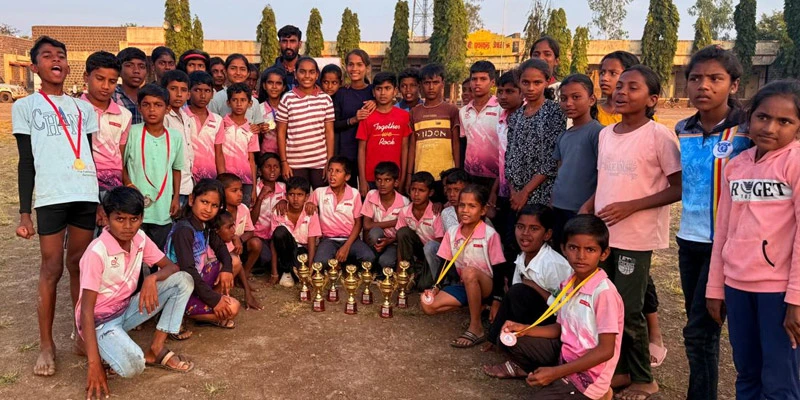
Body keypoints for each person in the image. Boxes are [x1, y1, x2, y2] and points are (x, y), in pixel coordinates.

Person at [579, 65, 682, 400]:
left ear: (653, 98)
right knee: (606, 306)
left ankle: (644, 377)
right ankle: (619, 370)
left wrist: (633, 206)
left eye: (632, 87)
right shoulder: (607, 135)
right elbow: (605, 178)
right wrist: (590, 204)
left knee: (628, 309)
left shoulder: (658, 135)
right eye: (619, 86)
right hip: (605, 234)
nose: (621, 92)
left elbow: (678, 187)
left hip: (635, 237)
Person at [706, 79, 800, 400]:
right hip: (736, 287)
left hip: (778, 293)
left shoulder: (795, 164)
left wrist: (796, 299)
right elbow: (724, 231)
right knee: (747, 372)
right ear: (750, 117)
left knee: (780, 379)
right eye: (762, 117)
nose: (770, 127)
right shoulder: (737, 165)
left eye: (784, 121)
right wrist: (715, 287)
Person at [13, 36, 100, 376]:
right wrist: (24, 211)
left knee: (79, 263)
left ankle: (81, 333)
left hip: (84, 194)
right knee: (52, 268)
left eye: (60, 55)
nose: (56, 60)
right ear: (34, 67)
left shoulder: (83, 108)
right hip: (51, 196)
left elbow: (88, 153)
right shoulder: (25, 107)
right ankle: (46, 344)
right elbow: (25, 162)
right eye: (47, 56)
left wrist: (98, 199)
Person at [674, 46, 751, 400]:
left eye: (715, 79)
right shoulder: (683, 128)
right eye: (695, 78)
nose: (703, 86)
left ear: (733, 85)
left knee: (699, 330)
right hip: (688, 240)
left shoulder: (748, 131)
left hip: (729, 244)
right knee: (703, 326)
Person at [78, 187, 195, 400]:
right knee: (133, 366)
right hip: (99, 322)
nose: (127, 226)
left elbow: (171, 267)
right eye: (119, 219)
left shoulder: (139, 238)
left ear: (142, 218)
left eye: (134, 219)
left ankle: (156, 349)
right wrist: (93, 365)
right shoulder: (96, 252)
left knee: (183, 281)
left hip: (126, 309)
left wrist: (152, 278)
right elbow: (86, 310)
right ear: (107, 217)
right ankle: (95, 348)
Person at [501, 215, 623, 400]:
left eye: (590, 249)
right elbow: (560, 328)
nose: (581, 256)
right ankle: (560, 381)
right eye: (573, 248)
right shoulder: (569, 284)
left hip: (589, 377)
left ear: (604, 253)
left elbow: (606, 350)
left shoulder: (604, 293)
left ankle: (598, 393)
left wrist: (556, 372)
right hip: (567, 357)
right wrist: (525, 329)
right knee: (509, 339)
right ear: (563, 249)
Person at [482, 204, 573, 378]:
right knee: (516, 293)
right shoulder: (523, 257)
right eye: (520, 227)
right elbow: (512, 297)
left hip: (558, 326)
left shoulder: (553, 265)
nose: (525, 233)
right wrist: (494, 337)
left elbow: (565, 309)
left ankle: (523, 361)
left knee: (520, 292)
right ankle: (499, 341)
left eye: (534, 229)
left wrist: (535, 287)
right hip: (538, 316)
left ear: (547, 234)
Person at [421, 184, 505, 348]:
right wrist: (435, 287)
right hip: (466, 283)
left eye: (472, 206)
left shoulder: (489, 234)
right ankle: (477, 305)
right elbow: (445, 263)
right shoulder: (452, 232)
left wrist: (497, 299)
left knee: (469, 272)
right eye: (462, 205)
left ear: (482, 210)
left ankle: (476, 327)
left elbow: (500, 268)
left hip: (487, 286)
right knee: (427, 304)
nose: (465, 210)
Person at [164, 179, 241, 328]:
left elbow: (221, 249)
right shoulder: (184, 230)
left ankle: (206, 309)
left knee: (233, 262)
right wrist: (214, 300)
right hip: (180, 289)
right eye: (204, 202)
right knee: (233, 308)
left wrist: (226, 269)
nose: (208, 209)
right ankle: (178, 315)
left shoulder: (205, 225)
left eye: (214, 205)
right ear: (192, 200)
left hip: (196, 282)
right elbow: (188, 271)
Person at [122, 83, 184, 249]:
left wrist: (176, 196)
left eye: (158, 105)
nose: (152, 110)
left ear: (168, 109)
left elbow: (176, 169)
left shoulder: (175, 137)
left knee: (159, 251)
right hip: (135, 205)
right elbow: (120, 164)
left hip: (162, 206)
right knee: (134, 250)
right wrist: (129, 184)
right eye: (146, 105)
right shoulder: (132, 132)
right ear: (139, 108)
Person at [505, 58, 565, 213]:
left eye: (537, 83)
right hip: (515, 194)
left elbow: (552, 160)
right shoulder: (516, 116)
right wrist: (514, 192)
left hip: (541, 192)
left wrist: (525, 192)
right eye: (525, 82)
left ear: (546, 82)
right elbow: (509, 156)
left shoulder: (555, 112)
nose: (531, 88)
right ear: (519, 82)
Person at [81, 51, 133, 229]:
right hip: (83, 185)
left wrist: (127, 183)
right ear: (86, 77)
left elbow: (120, 153)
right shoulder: (75, 111)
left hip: (114, 188)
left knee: (111, 241)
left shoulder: (124, 115)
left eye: (112, 81)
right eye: (99, 78)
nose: (105, 86)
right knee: (84, 242)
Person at [551, 74, 602, 249]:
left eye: (576, 97)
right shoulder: (564, 135)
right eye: (564, 98)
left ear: (592, 99)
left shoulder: (598, 133)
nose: (568, 103)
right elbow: (560, 171)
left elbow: (604, 175)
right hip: (559, 207)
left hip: (582, 210)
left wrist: (589, 206)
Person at [276, 56, 334, 189]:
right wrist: (284, 162)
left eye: (311, 72)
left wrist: (329, 161)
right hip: (294, 162)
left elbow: (329, 132)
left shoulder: (325, 99)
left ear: (317, 75)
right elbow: (280, 133)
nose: (307, 76)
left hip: (320, 161)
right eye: (302, 71)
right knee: (297, 200)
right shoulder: (287, 99)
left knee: (321, 199)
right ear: (295, 74)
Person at [310, 156, 375, 265]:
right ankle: (339, 260)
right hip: (328, 239)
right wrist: (309, 204)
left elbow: (358, 223)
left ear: (347, 177)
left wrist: (346, 247)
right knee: (320, 262)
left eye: (338, 171)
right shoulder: (319, 192)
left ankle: (343, 259)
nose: (332, 175)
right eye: (330, 170)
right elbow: (307, 207)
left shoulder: (354, 193)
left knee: (369, 258)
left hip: (350, 239)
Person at [407, 63, 460, 195]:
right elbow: (412, 146)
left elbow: (456, 144)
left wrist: (457, 172)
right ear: (420, 85)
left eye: (435, 82)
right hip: (421, 176)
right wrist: (409, 175)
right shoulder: (414, 112)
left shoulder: (451, 110)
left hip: (446, 176)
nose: (431, 87)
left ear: (442, 83)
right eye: (427, 83)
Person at [356, 71, 411, 195]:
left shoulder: (404, 116)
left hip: (395, 177)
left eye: (387, 88)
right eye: (379, 89)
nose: (383, 93)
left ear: (395, 91)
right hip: (372, 177)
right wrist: (363, 180)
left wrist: (402, 178)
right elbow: (361, 149)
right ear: (373, 92)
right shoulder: (367, 116)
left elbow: (405, 148)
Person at [216, 174, 261, 309]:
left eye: (241, 190)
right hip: (222, 251)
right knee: (234, 255)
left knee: (256, 243)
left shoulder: (243, 208)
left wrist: (239, 239)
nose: (240, 194)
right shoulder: (218, 212)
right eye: (234, 191)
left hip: (239, 245)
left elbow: (250, 231)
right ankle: (240, 285)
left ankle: (243, 276)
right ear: (222, 193)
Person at [494, 70, 524, 269]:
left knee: (517, 241)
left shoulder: (525, 119)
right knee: (503, 239)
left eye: (510, 91)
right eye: (500, 91)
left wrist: (520, 191)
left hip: (522, 193)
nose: (503, 96)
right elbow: (502, 160)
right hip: (504, 191)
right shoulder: (502, 119)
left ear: (522, 93)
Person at [334, 49, 376, 187]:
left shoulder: (374, 92)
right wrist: (353, 120)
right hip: (347, 154)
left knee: (370, 197)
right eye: (351, 64)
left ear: (367, 68)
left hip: (370, 154)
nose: (355, 68)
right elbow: (334, 124)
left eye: (359, 64)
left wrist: (377, 103)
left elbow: (387, 109)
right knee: (349, 198)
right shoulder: (341, 93)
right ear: (346, 67)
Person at [395, 171, 444, 289]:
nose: (416, 194)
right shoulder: (405, 211)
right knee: (403, 232)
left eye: (421, 191)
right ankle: (410, 272)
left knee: (423, 286)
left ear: (430, 192)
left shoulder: (435, 213)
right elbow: (401, 242)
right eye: (413, 189)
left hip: (432, 253)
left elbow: (440, 242)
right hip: (417, 249)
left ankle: (422, 272)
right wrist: (398, 271)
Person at [270, 177, 321, 288]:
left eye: (300, 195)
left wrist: (310, 269)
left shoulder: (311, 212)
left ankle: (296, 272)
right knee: (280, 232)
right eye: (292, 194)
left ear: (307, 196)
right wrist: (274, 272)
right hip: (284, 251)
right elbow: (274, 242)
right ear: (286, 195)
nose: (295, 199)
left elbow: (311, 241)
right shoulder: (278, 211)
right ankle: (286, 272)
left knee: (300, 267)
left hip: (302, 252)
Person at [460, 61, 502, 194]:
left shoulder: (501, 108)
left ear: (492, 83)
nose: (477, 83)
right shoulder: (463, 111)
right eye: (474, 79)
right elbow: (464, 142)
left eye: (483, 79)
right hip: (471, 174)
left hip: (496, 176)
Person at [214, 83, 259, 206]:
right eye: (235, 100)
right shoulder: (221, 124)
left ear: (250, 103)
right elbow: (218, 153)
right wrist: (221, 179)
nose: (239, 104)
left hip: (246, 180)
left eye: (243, 100)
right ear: (228, 103)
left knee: (243, 213)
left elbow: (251, 160)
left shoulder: (252, 129)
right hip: (227, 180)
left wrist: (254, 187)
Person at [362, 162, 409, 269]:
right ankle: (373, 262)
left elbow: (403, 234)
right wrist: (395, 222)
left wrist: (389, 241)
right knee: (375, 232)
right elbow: (366, 225)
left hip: (393, 242)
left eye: (387, 180)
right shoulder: (371, 195)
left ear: (396, 182)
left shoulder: (404, 202)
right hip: (375, 240)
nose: (382, 184)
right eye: (379, 180)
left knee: (386, 262)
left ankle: (380, 264)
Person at [160, 70, 196, 205]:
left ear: (188, 95)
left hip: (186, 184)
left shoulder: (186, 117)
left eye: (183, 90)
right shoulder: (163, 117)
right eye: (173, 89)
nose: (179, 94)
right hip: (170, 186)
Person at [251, 152, 286, 284]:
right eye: (268, 166)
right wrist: (260, 198)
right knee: (267, 258)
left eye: (276, 167)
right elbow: (251, 222)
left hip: (275, 237)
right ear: (260, 170)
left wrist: (285, 201)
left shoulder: (284, 189)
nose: (272, 170)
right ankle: (257, 265)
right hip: (258, 236)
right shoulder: (255, 190)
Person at [208, 54, 264, 128]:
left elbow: (258, 126)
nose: (238, 73)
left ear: (248, 73)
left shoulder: (254, 101)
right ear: (225, 71)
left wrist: (258, 128)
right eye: (233, 68)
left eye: (242, 69)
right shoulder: (216, 99)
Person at [186, 71, 224, 182]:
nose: (202, 95)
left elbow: (219, 153)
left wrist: (222, 179)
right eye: (197, 90)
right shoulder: (181, 117)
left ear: (212, 94)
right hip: (187, 177)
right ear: (189, 92)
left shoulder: (217, 120)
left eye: (207, 91)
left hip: (210, 177)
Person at [597, 51, 640, 126]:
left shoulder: (642, 117)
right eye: (602, 72)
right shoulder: (592, 113)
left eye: (613, 73)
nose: (604, 78)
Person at [256, 67, 287, 154]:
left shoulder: (289, 107)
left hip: (288, 155)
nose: (274, 87)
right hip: (266, 155)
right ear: (264, 86)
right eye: (270, 83)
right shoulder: (259, 109)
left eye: (278, 83)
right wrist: (259, 130)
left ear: (284, 87)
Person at [114, 47, 147, 124]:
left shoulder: (149, 96)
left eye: (141, 67)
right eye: (129, 65)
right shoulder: (112, 96)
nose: (136, 71)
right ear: (119, 70)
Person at [440, 168, 470, 232]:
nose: (451, 194)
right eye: (449, 190)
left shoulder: (477, 212)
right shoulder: (446, 213)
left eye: (457, 190)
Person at [273, 25, 302, 90]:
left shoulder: (310, 72)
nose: (288, 46)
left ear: (300, 44)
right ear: (279, 44)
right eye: (284, 41)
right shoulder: (270, 73)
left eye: (292, 41)